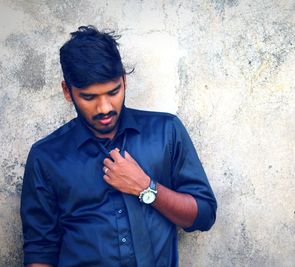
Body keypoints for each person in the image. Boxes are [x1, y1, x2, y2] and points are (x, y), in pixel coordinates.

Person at [20, 25, 217, 267]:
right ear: (67, 91)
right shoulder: (46, 157)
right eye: (89, 97)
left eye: (113, 92)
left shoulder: (166, 132)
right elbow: (40, 251)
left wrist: (147, 188)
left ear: (124, 81)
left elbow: (204, 216)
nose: (104, 108)